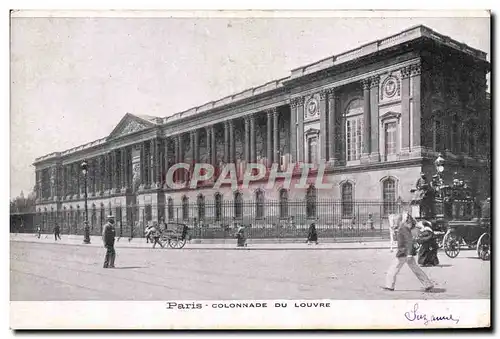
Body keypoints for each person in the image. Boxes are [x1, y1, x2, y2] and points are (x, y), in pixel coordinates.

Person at [383, 212, 434, 292]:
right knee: (416, 269)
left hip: (404, 253)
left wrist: (409, 254)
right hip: (406, 253)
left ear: (399, 220)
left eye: (395, 220)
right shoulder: (403, 227)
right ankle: (428, 284)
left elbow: (409, 241)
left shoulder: (403, 228)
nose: (394, 222)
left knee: (393, 269)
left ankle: (389, 286)